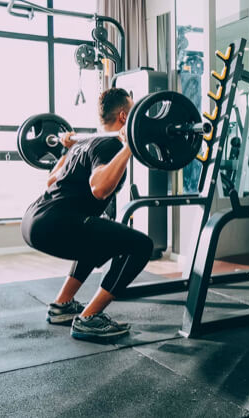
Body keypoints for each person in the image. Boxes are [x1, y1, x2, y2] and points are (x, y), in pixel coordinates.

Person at [21, 88, 153, 341]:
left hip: (34, 220)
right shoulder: (111, 144)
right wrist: (129, 147)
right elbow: (99, 189)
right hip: (55, 222)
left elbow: (51, 181)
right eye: (134, 111)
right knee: (141, 246)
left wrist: (65, 151)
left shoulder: (83, 143)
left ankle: (62, 306)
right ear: (124, 117)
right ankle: (89, 318)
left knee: (97, 236)